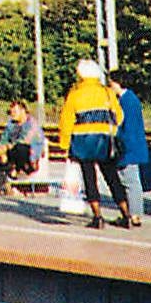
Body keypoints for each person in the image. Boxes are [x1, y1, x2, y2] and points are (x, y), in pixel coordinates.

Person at [58, 59, 128, 228]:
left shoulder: (75, 94)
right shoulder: (107, 92)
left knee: (90, 178)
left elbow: (66, 122)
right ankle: (126, 214)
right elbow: (119, 116)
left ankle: (98, 217)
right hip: (104, 140)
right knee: (112, 177)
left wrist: (64, 145)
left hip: (83, 142)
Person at [109, 72, 149, 227]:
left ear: (118, 83)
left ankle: (134, 215)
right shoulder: (129, 99)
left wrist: (119, 142)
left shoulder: (127, 101)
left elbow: (127, 127)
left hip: (128, 147)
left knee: (131, 181)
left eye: (111, 83)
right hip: (132, 146)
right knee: (130, 180)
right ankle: (134, 214)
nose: (110, 86)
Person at [0, 100, 46, 193]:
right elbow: (4, 138)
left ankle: (13, 172)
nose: (12, 115)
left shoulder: (32, 124)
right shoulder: (11, 124)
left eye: (14, 112)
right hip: (11, 155)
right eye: (11, 112)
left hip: (29, 158)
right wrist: (1, 147)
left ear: (23, 111)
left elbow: (25, 141)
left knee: (20, 148)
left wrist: (6, 148)